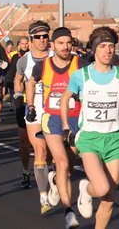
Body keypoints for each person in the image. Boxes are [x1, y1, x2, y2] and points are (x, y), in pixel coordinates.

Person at [27, 27, 88, 228]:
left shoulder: (81, 64)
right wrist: (30, 106)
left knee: (68, 168)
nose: (65, 46)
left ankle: (55, 184)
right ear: (53, 45)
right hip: (51, 119)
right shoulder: (42, 66)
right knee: (61, 163)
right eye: (60, 43)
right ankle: (68, 212)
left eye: (68, 43)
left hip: (75, 119)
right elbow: (30, 83)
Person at [61, 27, 119, 228]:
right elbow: (64, 100)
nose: (108, 50)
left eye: (111, 46)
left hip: (114, 139)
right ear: (94, 49)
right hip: (89, 139)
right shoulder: (81, 76)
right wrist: (65, 127)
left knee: (109, 197)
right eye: (103, 46)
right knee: (102, 188)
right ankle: (86, 188)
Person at [14, 20, 55, 214]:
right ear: (30, 40)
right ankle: (43, 198)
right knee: (39, 149)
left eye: (44, 36)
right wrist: (17, 95)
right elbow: (18, 79)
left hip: (55, 108)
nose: (41, 40)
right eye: (37, 37)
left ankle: (53, 174)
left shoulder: (58, 57)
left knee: (52, 153)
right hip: (34, 108)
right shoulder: (25, 60)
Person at [5, 37, 32, 188]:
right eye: (23, 43)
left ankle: (50, 170)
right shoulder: (18, 60)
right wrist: (17, 94)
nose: (26, 45)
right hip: (24, 104)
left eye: (27, 43)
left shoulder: (48, 59)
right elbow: (9, 79)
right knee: (25, 142)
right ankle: (26, 171)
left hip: (42, 106)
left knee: (44, 145)